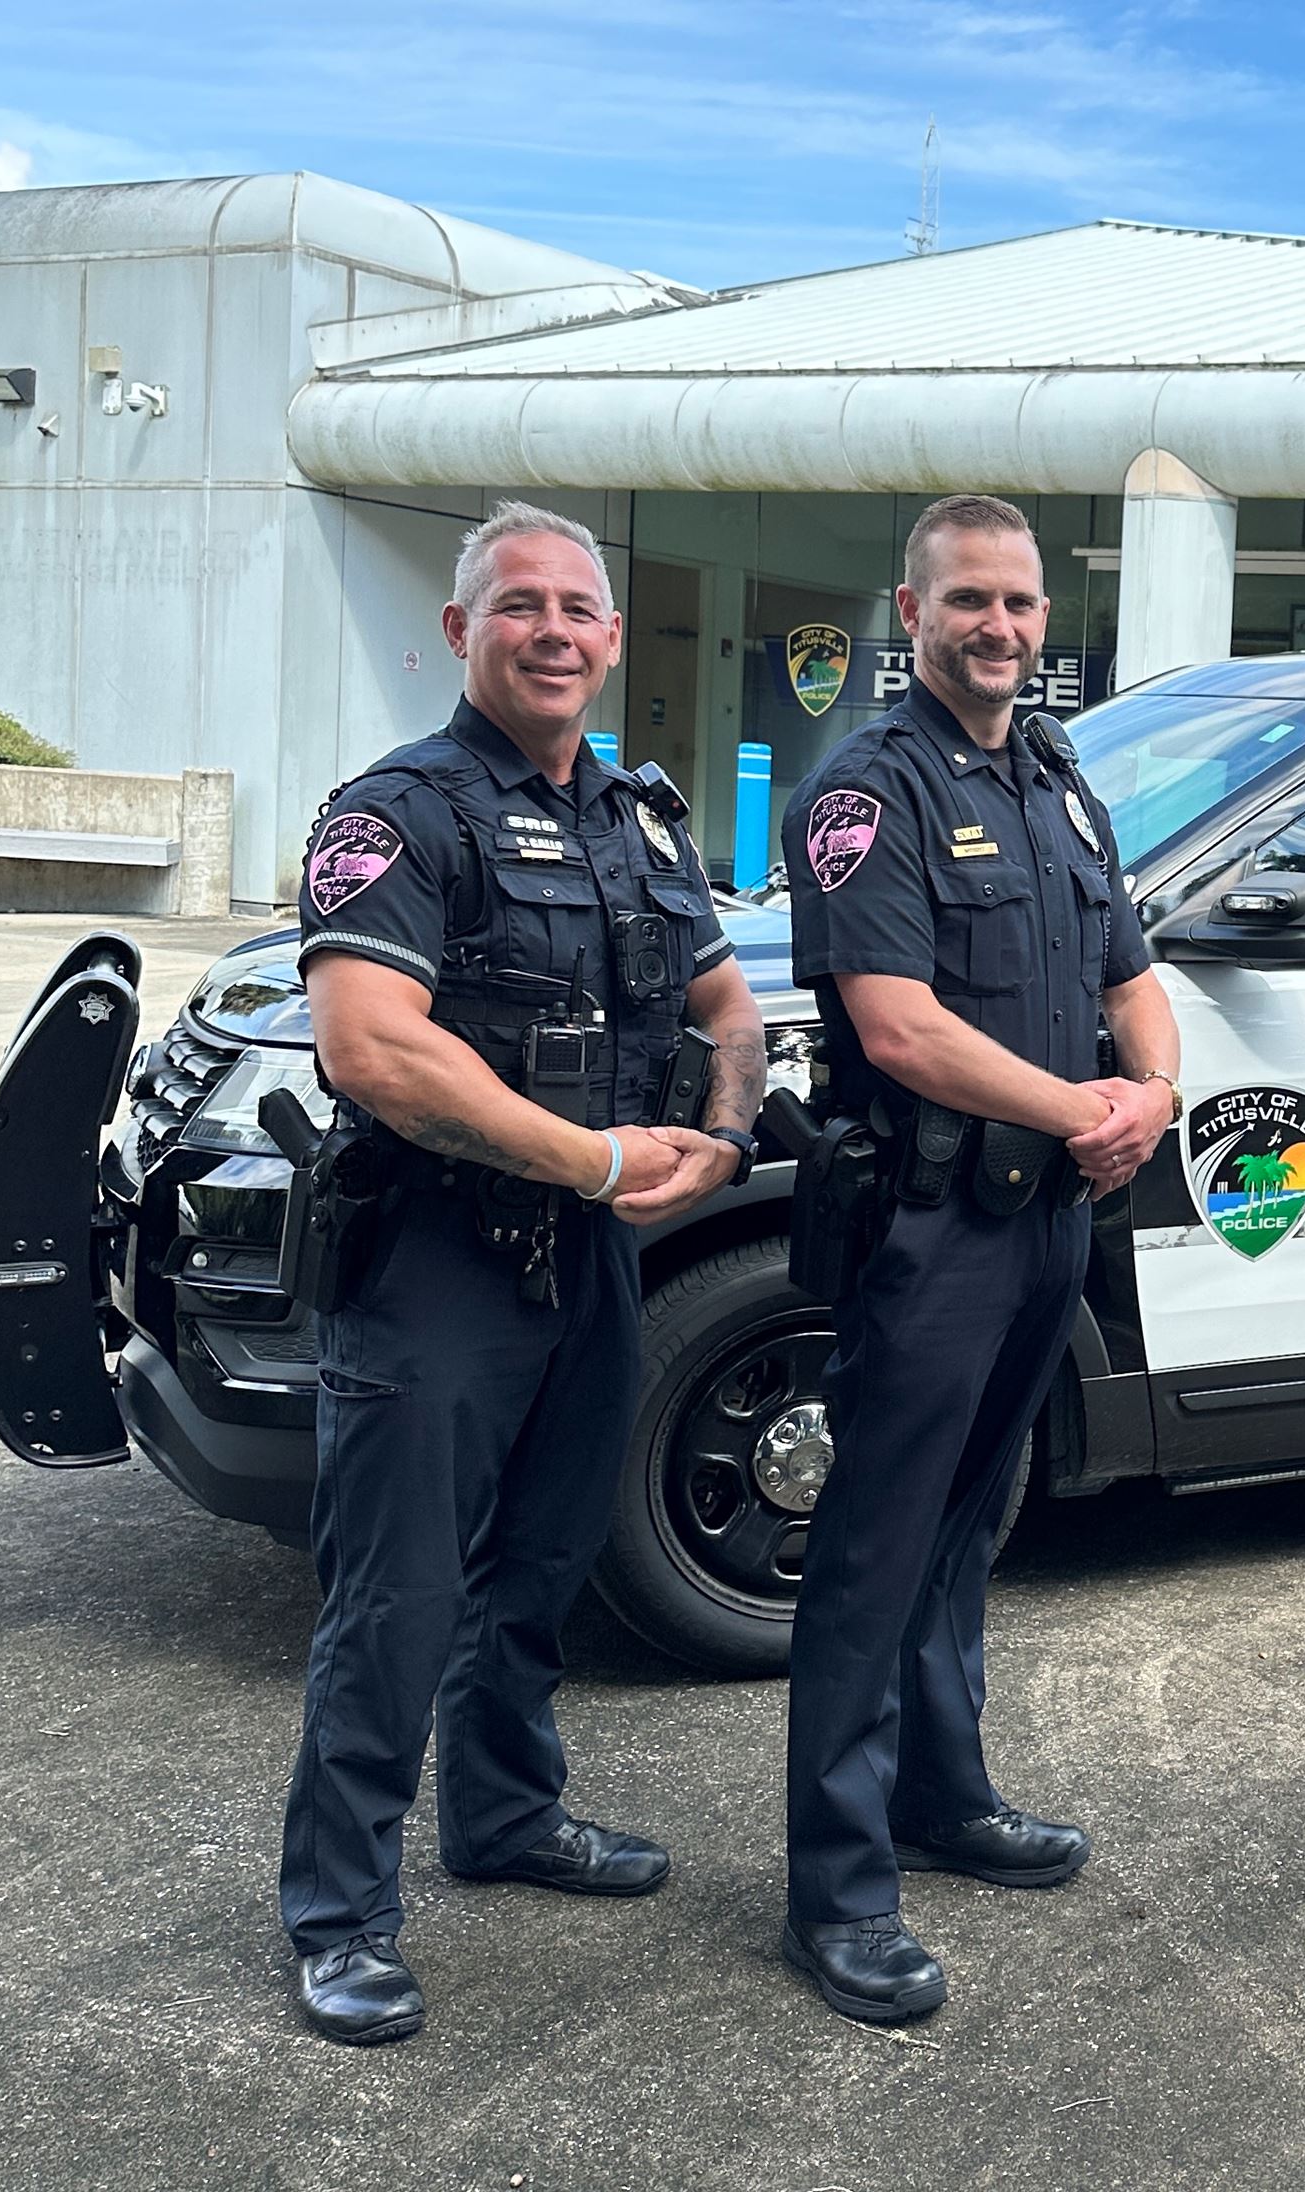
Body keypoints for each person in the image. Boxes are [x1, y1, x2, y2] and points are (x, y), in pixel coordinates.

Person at [280, 503, 765, 2045]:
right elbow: (372, 1046)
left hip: (591, 1266)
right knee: (396, 1600)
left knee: (544, 1567)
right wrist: (597, 1163)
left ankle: (504, 1815)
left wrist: (724, 1137)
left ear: (615, 639)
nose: (555, 632)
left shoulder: (640, 818)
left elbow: (727, 1001)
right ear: (459, 630)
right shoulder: (395, 812)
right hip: (432, 1262)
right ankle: (341, 1914)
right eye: (521, 608)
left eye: (581, 609)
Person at [775, 494, 1181, 2023]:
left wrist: (1151, 1089)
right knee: (876, 1548)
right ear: (911, 610)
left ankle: (946, 1797)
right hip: (931, 1226)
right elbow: (897, 1025)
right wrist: (1088, 1106)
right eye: (968, 604)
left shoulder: (1060, 782)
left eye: (1019, 604)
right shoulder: (864, 790)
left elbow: (1132, 973)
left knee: (965, 1532)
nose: (999, 628)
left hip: (1047, 1221)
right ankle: (838, 1891)